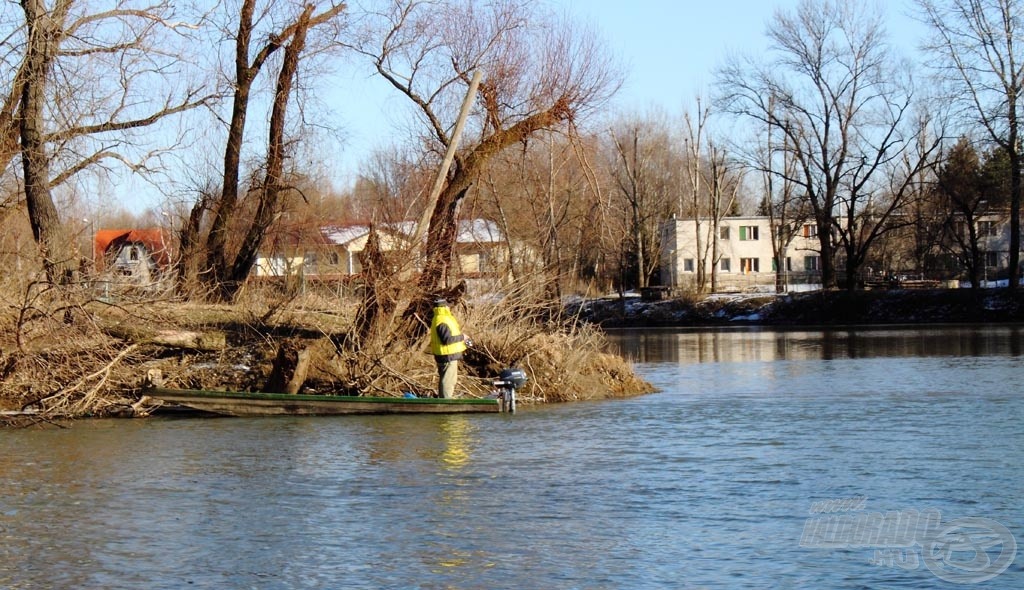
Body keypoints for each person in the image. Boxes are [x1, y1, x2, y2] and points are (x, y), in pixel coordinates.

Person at [429, 298, 470, 398]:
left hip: (445, 354)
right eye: (447, 305)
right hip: (448, 355)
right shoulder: (442, 320)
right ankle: (445, 402)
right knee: (448, 381)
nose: (449, 307)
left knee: (446, 379)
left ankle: (443, 399)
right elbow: (446, 340)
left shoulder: (438, 318)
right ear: (445, 307)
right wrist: (462, 337)